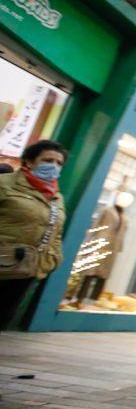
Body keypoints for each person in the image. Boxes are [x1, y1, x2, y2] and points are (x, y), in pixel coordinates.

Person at [0, 140, 67, 328]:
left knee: (3, 317)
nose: (54, 166)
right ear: (29, 161)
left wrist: (53, 258)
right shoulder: (5, 183)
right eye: (48, 160)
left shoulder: (56, 196)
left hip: (25, 270)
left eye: (59, 163)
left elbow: (57, 231)